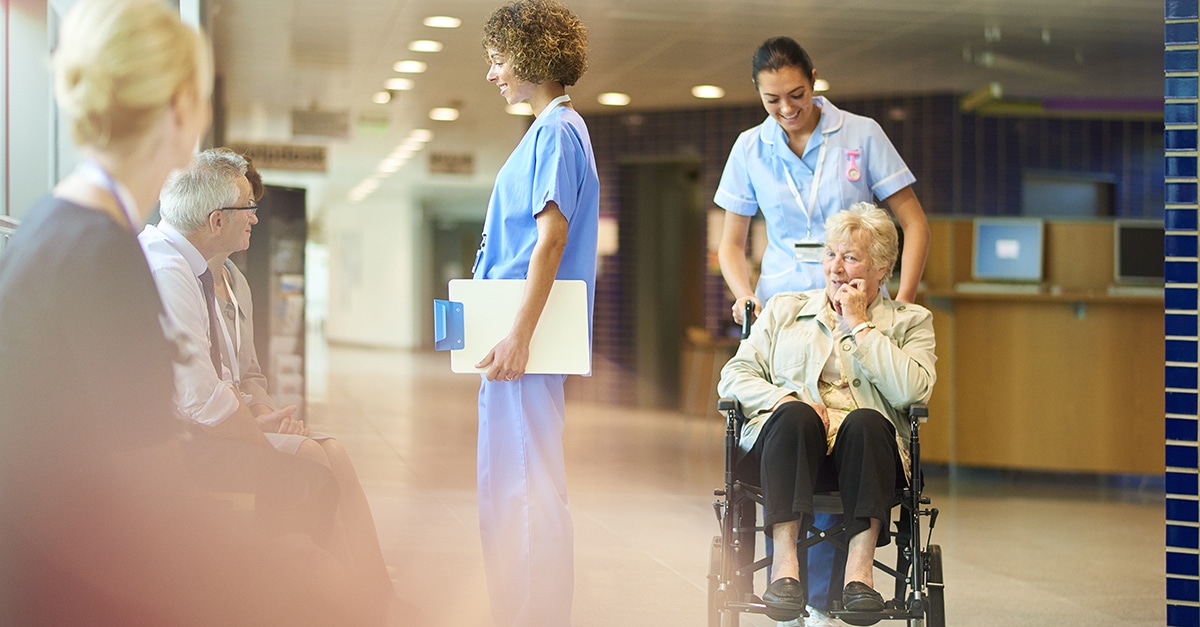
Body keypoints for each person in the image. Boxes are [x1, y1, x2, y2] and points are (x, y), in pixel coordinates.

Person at [0, 0, 371, 624]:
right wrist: (306, 586)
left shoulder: (54, 228)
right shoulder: (103, 258)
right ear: (180, 111)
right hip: (62, 582)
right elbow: (152, 504)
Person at [714, 36, 931, 624]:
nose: (786, 108)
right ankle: (793, 588)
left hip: (861, 303)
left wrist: (897, 307)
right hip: (786, 314)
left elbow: (912, 220)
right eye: (771, 100)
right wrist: (746, 296)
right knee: (791, 422)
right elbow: (731, 244)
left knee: (858, 418)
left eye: (797, 94)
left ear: (815, 79)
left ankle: (834, 598)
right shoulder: (750, 148)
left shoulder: (859, 135)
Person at [139, 148, 392, 611]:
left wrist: (262, 413)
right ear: (217, 221)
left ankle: (370, 591)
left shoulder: (207, 271)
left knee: (331, 450)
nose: (256, 217)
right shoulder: (168, 270)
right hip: (179, 441)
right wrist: (258, 427)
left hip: (208, 423)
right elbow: (199, 397)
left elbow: (236, 377)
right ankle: (325, 599)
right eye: (247, 209)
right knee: (312, 463)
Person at [717, 203, 936, 623]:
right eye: (831, 254)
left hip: (865, 458)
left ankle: (860, 572)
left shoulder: (910, 322)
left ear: (882, 268)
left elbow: (913, 390)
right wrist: (782, 399)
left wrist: (860, 327)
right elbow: (734, 376)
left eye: (851, 257)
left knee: (869, 422)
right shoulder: (783, 309)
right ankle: (785, 570)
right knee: (796, 415)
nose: (836, 267)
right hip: (792, 449)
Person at [473, 1, 599, 624]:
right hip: (516, 340)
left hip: (524, 344)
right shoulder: (554, 130)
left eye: (498, 60)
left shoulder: (553, 132)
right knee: (518, 481)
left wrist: (519, 336)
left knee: (523, 486)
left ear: (530, 59)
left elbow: (550, 239)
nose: (492, 73)